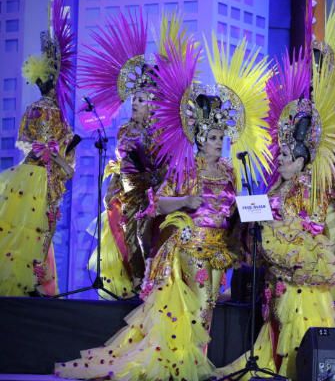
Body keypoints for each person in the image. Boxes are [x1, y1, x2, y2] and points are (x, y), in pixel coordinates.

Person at [55, 30, 271, 380]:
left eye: (222, 138)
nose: (220, 143)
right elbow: (156, 205)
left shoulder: (231, 171)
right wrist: (186, 200)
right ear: (201, 138)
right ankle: (190, 371)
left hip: (219, 250)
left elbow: (233, 209)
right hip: (190, 246)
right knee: (199, 308)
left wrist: (248, 214)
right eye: (214, 138)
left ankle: (190, 365)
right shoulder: (187, 167)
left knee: (208, 310)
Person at [217, 5, 335, 380]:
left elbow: (318, 216)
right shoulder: (279, 185)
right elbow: (260, 220)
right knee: (277, 318)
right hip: (281, 271)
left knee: (302, 320)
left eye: (286, 156)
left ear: (302, 159)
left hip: (304, 273)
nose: (279, 160)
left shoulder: (314, 184)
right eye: (279, 154)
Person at [0, 0, 76, 296]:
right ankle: (25, 285)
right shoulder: (36, 112)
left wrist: (54, 156)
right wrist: (45, 153)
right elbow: (25, 142)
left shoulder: (61, 121)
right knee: (23, 230)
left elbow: (68, 168)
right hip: (31, 179)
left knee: (41, 232)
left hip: (45, 182)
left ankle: (35, 285)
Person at [79, 11, 160, 298]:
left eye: (144, 99)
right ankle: (132, 283)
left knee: (144, 230)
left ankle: (146, 281)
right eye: (135, 99)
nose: (137, 104)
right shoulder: (125, 130)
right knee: (121, 221)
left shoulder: (160, 132)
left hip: (152, 193)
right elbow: (123, 164)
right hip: (128, 193)